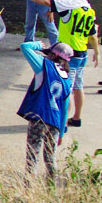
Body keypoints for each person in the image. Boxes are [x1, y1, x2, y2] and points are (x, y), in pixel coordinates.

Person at [17, 0, 96, 127]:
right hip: (83, 53)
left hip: (69, 55)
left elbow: (48, 1)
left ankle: (62, 123)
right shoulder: (89, 9)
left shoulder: (72, 5)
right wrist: (96, 52)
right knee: (78, 86)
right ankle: (77, 118)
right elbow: (93, 34)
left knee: (67, 89)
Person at [17, 40, 73, 184]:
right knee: (50, 158)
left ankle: (28, 189)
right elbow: (65, 108)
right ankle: (51, 187)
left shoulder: (43, 66)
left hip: (39, 118)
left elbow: (25, 47)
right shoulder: (67, 79)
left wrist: (38, 45)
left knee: (32, 156)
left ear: (54, 55)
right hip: (54, 122)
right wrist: (61, 132)